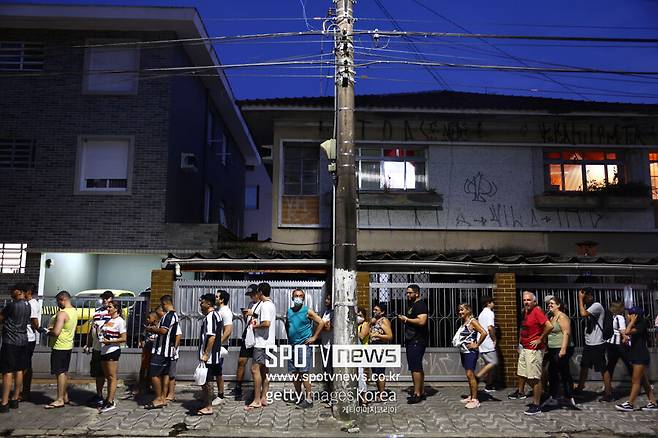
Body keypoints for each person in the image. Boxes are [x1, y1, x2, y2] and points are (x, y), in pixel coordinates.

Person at [508, 291, 553, 416]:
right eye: (524, 300)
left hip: (534, 349)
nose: (526, 302)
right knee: (524, 374)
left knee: (534, 377)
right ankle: (541, 393)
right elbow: (524, 329)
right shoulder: (526, 312)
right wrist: (520, 343)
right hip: (525, 347)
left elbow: (549, 326)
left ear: (534, 301)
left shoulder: (537, 311)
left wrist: (540, 338)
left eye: (528, 300)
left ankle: (537, 405)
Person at [285, 288, 324, 409]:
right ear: (292, 298)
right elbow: (288, 325)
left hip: (303, 346)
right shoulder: (289, 311)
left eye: (300, 296)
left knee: (304, 373)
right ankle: (299, 396)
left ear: (303, 298)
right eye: (296, 295)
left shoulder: (308, 311)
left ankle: (309, 399)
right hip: (292, 346)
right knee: (295, 373)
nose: (298, 297)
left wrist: (314, 337)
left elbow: (321, 322)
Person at [615, 307, 658, 411]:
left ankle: (630, 403)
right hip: (636, 355)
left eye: (630, 314)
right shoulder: (637, 325)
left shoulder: (641, 325)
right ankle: (653, 402)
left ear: (636, 316)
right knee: (644, 381)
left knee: (635, 381)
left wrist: (632, 322)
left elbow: (627, 331)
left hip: (640, 356)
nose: (628, 316)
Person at [245, 282, 276, 411]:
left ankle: (257, 400)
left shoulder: (264, 305)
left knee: (255, 370)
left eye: (258, 292)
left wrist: (254, 326)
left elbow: (266, 323)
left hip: (261, 343)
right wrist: (254, 315)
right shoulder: (271, 305)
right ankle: (264, 397)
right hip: (269, 343)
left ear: (261, 292)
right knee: (265, 371)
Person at [45, 290, 78, 409]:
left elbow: (56, 332)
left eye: (57, 302)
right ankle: (64, 396)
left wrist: (48, 331)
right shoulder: (74, 311)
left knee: (59, 372)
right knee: (64, 372)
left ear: (62, 300)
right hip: (68, 345)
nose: (57, 304)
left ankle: (59, 399)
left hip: (59, 346)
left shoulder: (62, 313)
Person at [0, 284, 30, 413]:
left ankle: (4, 402)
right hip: (23, 340)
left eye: (12, 291)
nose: (11, 293)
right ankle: (15, 398)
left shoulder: (12, 305)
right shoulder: (28, 306)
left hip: (10, 341)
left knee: (7, 372)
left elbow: (1, 318)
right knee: (19, 370)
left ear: (19, 291)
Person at [145, 295, 178, 409]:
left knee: (153, 374)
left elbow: (163, 331)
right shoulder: (174, 315)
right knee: (164, 374)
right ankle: (162, 397)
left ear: (164, 304)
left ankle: (159, 397)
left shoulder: (168, 316)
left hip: (162, 351)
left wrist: (151, 329)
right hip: (167, 351)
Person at [543, 296, 576, 409]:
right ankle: (562, 396)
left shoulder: (562, 316)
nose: (549, 305)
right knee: (558, 371)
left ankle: (564, 396)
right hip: (553, 348)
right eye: (549, 303)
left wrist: (563, 349)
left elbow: (566, 333)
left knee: (558, 372)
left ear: (559, 305)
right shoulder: (552, 316)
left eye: (552, 303)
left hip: (561, 348)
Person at [399, 284, 429, 404]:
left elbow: (422, 321)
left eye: (410, 293)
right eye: (407, 293)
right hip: (412, 339)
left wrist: (406, 319)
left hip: (417, 340)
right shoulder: (412, 305)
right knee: (416, 367)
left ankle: (417, 394)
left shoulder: (420, 304)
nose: (408, 295)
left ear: (417, 293)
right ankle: (420, 391)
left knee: (415, 367)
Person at [84, 290, 114, 407]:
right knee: (98, 373)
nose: (105, 300)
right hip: (97, 347)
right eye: (104, 298)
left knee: (109, 374)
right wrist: (88, 344)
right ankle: (99, 395)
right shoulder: (97, 312)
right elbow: (92, 329)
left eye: (107, 298)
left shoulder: (113, 312)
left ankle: (110, 398)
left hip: (108, 348)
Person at [575, 288, 607, 395]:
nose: (583, 299)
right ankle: (580, 387)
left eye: (585, 296)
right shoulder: (589, 307)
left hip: (597, 343)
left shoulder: (596, 306)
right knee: (584, 365)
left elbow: (583, 314)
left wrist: (579, 299)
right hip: (589, 343)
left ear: (590, 296)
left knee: (602, 368)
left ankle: (609, 392)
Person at [455, 303, 487, 409]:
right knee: (469, 374)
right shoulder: (465, 322)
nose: (460, 312)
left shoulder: (473, 321)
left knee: (470, 374)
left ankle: (475, 399)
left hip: (471, 352)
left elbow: (484, 332)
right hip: (464, 351)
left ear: (468, 310)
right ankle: (471, 396)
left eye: (462, 310)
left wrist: (477, 344)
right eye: (459, 310)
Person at [98, 301, 127, 413]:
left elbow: (124, 338)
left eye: (110, 307)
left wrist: (111, 341)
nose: (107, 309)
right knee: (107, 376)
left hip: (113, 350)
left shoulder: (120, 321)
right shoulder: (108, 320)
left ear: (116, 309)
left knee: (112, 376)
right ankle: (107, 399)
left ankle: (110, 401)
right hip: (104, 350)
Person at [196, 293, 222, 416]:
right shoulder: (216, 315)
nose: (201, 305)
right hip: (214, 354)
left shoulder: (211, 317)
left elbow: (211, 336)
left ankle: (208, 406)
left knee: (207, 380)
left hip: (210, 355)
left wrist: (206, 354)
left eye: (202, 302)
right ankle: (207, 403)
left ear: (208, 304)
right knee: (208, 379)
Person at [234, 284, 260, 401]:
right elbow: (248, 319)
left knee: (257, 365)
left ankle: (257, 388)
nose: (251, 297)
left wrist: (253, 314)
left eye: (253, 294)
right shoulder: (250, 304)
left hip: (258, 336)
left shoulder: (263, 304)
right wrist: (246, 315)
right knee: (241, 361)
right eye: (250, 295)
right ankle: (238, 386)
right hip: (248, 334)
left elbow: (265, 318)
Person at [211, 289, 233, 406]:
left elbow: (228, 330)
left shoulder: (225, 312)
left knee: (218, 370)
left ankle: (220, 395)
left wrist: (219, 343)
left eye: (217, 297)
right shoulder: (218, 310)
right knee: (214, 369)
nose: (215, 299)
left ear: (222, 299)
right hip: (215, 344)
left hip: (220, 346)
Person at [370, 302, 393, 402]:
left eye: (376, 310)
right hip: (373, 347)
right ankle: (379, 392)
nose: (374, 311)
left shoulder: (384, 321)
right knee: (375, 371)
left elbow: (390, 336)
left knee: (380, 372)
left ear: (382, 312)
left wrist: (378, 335)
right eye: (374, 310)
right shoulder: (375, 320)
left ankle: (382, 394)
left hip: (380, 347)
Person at [21, 282, 40, 402]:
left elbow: (35, 322)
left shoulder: (32, 304)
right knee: (25, 365)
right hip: (27, 338)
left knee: (25, 366)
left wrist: (36, 328)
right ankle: (24, 391)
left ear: (28, 292)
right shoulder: (31, 303)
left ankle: (25, 392)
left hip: (28, 338)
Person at [475, 297, 498, 392]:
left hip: (481, 341)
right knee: (493, 362)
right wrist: (494, 339)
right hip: (488, 341)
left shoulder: (481, 313)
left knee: (488, 364)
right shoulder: (489, 313)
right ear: (489, 303)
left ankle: (489, 384)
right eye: (493, 302)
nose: (494, 304)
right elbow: (490, 328)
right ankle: (477, 377)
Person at [318, 294, 334, 395]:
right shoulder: (326, 312)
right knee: (326, 371)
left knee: (330, 371)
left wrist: (320, 324)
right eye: (326, 298)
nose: (326, 300)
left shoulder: (334, 313)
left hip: (331, 346)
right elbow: (321, 325)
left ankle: (332, 395)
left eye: (328, 299)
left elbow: (328, 327)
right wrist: (322, 324)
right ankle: (328, 393)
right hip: (325, 344)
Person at [166, 322, 183, 403]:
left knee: (171, 374)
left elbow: (179, 335)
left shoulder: (173, 323)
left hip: (171, 353)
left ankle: (171, 393)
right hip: (163, 353)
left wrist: (174, 348)